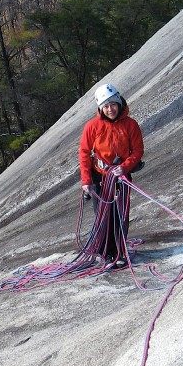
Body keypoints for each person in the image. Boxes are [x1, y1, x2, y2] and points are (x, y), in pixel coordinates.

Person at [78, 83, 144, 268]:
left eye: (113, 104)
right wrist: (86, 181)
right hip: (100, 178)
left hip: (121, 176)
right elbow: (84, 154)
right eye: (106, 106)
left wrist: (125, 167)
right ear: (100, 108)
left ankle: (120, 252)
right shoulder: (92, 127)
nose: (110, 109)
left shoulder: (130, 125)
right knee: (103, 216)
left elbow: (137, 150)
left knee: (121, 215)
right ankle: (106, 254)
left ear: (119, 103)